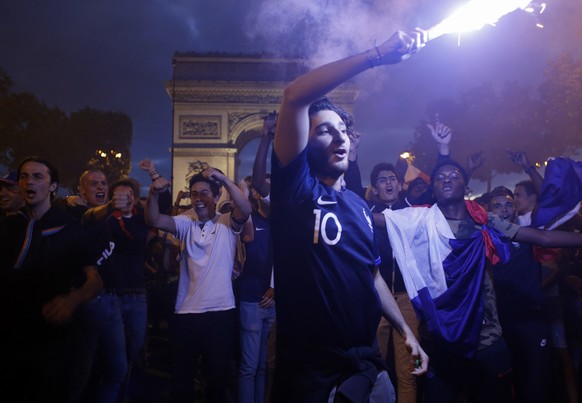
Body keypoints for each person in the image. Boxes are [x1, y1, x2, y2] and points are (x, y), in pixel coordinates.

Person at [270, 29, 428, 402]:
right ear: (303, 144)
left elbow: (370, 273)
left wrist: (405, 329)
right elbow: (293, 96)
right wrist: (376, 54)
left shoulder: (359, 206)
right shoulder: (296, 193)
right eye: (325, 131)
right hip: (314, 378)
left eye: (343, 129)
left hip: (368, 372)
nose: (340, 138)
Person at [382, 160, 582, 402]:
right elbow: (371, 219)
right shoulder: (419, 221)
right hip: (439, 340)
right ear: (432, 189)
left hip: (486, 340)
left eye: (454, 174)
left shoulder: (483, 220)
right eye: (439, 177)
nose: (446, 179)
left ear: (464, 185)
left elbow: (543, 237)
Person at [0, 156, 103, 403]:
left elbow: (95, 279)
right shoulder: (9, 226)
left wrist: (73, 299)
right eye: (24, 176)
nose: (29, 182)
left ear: (53, 186)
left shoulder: (69, 228)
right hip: (9, 335)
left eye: (38, 176)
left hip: (51, 339)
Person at [145, 167, 252, 403]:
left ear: (216, 197)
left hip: (220, 313)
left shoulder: (227, 222)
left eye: (205, 193)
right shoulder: (186, 222)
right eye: (194, 194)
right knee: (181, 382)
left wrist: (223, 178)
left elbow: (245, 208)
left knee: (217, 382)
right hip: (186, 313)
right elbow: (153, 219)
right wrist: (153, 194)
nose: (198, 199)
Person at [488, 186, 551, 403]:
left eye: (508, 205)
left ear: (515, 209)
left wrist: (528, 168)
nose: (504, 210)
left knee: (535, 384)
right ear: (489, 212)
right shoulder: (485, 241)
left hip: (531, 319)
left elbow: (546, 198)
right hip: (501, 322)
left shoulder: (527, 233)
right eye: (497, 206)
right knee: (506, 383)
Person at [236, 113, 277, 403]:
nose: (269, 192)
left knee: (263, 366)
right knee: (250, 367)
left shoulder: (280, 220)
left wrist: (276, 287)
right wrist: (266, 138)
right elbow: (260, 177)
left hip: (272, 301)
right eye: (265, 189)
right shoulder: (247, 219)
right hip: (250, 299)